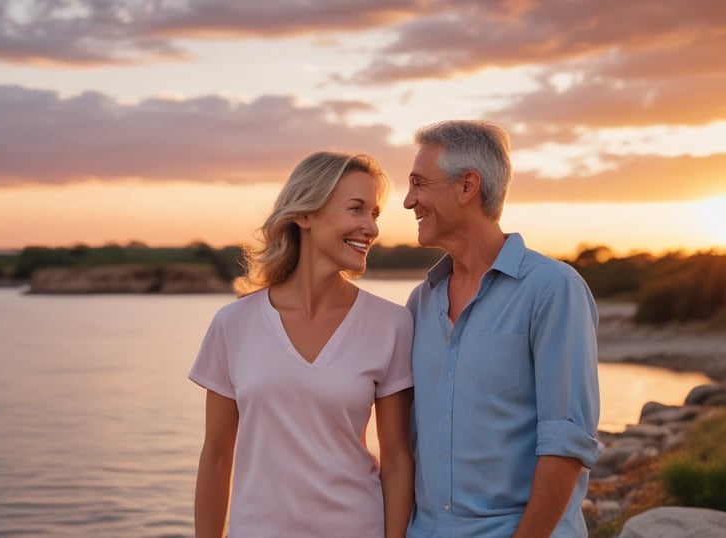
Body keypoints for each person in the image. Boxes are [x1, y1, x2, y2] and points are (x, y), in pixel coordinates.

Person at [189, 151, 415, 537]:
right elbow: (216, 455)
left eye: (374, 214)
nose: (371, 228)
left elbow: (396, 459)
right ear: (305, 215)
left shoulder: (392, 323)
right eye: (356, 209)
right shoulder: (234, 324)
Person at [403, 120, 601, 537]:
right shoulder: (420, 303)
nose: (408, 201)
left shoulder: (553, 290)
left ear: (466, 186)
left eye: (419, 184)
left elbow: (565, 444)